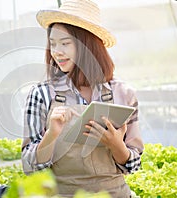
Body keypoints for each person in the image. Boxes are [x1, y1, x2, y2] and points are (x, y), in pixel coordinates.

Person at [21, 0, 144, 197]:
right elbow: (29, 166)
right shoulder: (41, 94)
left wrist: (116, 145)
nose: (56, 52)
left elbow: (133, 165)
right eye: (53, 44)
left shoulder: (124, 93)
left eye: (65, 43)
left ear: (88, 45)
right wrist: (51, 135)